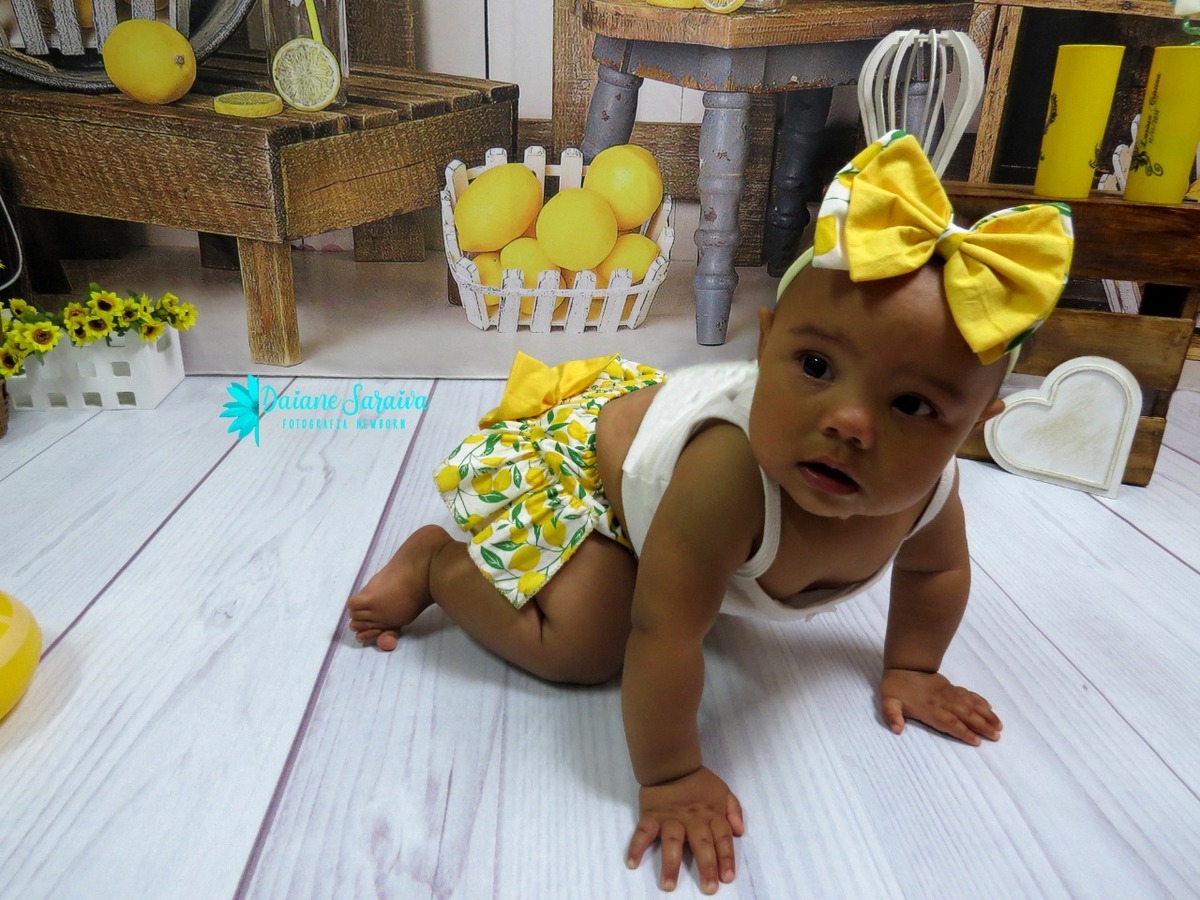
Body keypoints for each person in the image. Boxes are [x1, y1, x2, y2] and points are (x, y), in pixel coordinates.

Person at [346, 131, 1075, 894]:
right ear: (765, 349)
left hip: (677, 483)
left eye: (914, 405)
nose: (851, 422)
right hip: (602, 473)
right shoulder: (730, 473)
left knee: (683, 588)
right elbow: (664, 634)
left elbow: (936, 571)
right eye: (816, 366)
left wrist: (914, 667)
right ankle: (437, 563)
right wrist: (671, 775)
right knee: (588, 647)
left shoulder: (927, 492)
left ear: (974, 426)